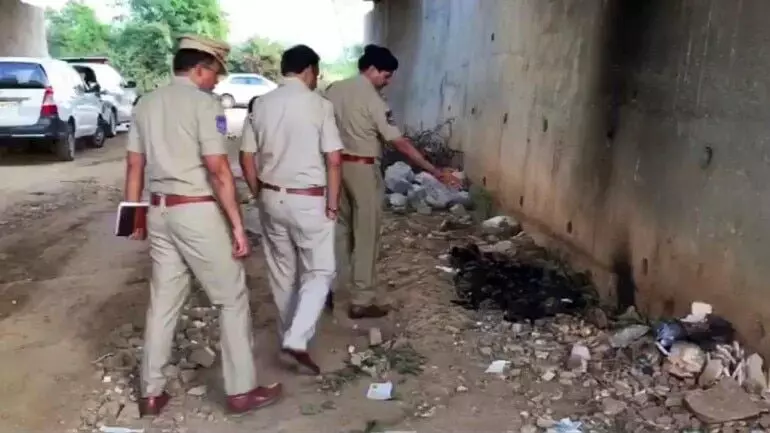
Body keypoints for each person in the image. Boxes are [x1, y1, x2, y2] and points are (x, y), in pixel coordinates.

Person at [124, 34, 282, 417]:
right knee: (231, 297)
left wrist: (133, 218)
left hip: (160, 212)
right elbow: (218, 170)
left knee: (163, 302)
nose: (217, 81)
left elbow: (134, 165)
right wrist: (238, 226)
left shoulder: (146, 103)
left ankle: (151, 393)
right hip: (195, 211)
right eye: (214, 72)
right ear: (198, 69)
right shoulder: (204, 104)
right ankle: (241, 391)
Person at [325, 44, 461, 319]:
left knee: (339, 232)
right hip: (363, 169)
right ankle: (361, 300)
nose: (388, 82)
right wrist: (433, 170)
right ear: (372, 69)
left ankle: (327, 288)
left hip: (335, 169)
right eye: (386, 76)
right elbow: (399, 142)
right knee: (367, 234)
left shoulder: (333, 91)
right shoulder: (373, 100)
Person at [239, 45, 342, 375]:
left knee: (282, 271)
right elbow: (334, 159)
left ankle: (290, 335)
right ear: (309, 70)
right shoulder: (320, 105)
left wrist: (259, 193)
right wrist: (333, 202)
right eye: (316, 73)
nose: (317, 79)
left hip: (271, 197)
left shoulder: (260, 104)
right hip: (309, 200)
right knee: (320, 271)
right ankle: (296, 340)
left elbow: (246, 157)